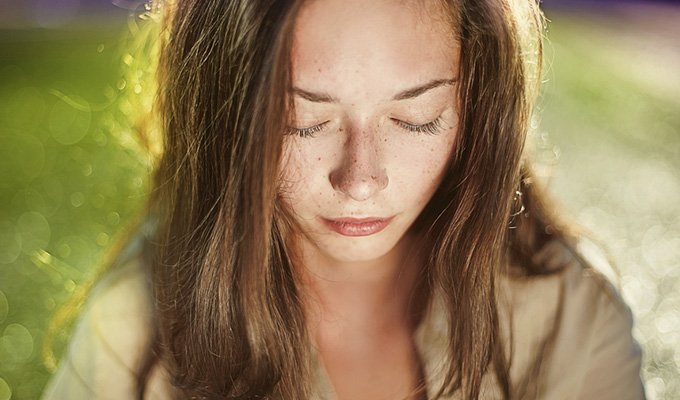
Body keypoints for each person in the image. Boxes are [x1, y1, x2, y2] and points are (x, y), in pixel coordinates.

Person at [41, 0, 646, 399]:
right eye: (301, 122)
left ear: (478, 112)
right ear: (225, 122)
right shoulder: (136, 322)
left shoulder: (570, 315)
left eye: (416, 118)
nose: (360, 179)